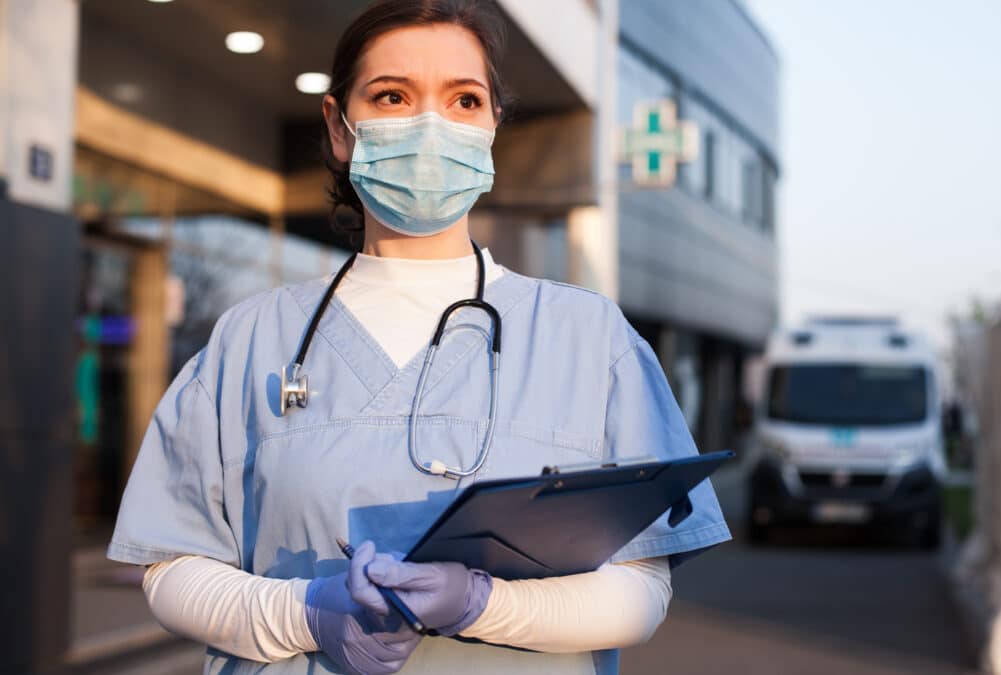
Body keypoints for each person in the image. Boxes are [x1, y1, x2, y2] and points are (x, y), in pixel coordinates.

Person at [106, 1, 730, 673]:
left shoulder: (590, 338)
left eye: (464, 99)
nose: (429, 126)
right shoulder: (251, 338)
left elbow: (641, 587)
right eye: (392, 96)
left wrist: (481, 604)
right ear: (340, 129)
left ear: (491, 125)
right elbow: (171, 566)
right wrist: (307, 612)